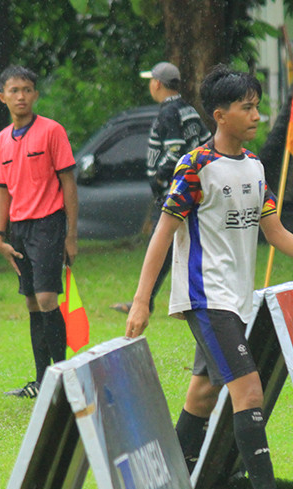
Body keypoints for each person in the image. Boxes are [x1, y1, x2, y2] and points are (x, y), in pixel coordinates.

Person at [124, 65, 293, 489]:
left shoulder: (255, 167)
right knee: (249, 391)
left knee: (202, 396)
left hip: (237, 301)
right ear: (220, 115)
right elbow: (163, 233)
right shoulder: (195, 167)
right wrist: (142, 300)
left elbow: (275, 231)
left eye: (257, 105)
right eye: (247, 107)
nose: (257, 115)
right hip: (207, 300)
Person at [0, 64, 78, 398]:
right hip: (18, 228)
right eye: (14, 91)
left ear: (36, 95)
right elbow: (2, 189)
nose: (21, 96)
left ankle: (61, 375)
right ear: (3, 97)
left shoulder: (52, 131)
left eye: (27, 90)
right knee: (30, 301)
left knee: (46, 297)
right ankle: (42, 381)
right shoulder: (1, 140)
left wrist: (71, 234)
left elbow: (68, 182)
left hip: (49, 223)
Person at [111, 61, 211, 314]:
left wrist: (159, 177)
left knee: (162, 244)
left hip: (174, 191)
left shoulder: (168, 112)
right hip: (194, 187)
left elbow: (175, 148)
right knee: (177, 246)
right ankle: (150, 299)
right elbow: (205, 142)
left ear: (156, 84)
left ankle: (145, 301)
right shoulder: (188, 109)